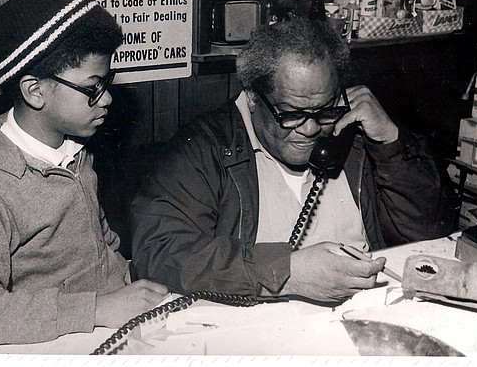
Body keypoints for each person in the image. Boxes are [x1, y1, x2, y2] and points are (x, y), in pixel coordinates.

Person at [131, 18, 457, 303]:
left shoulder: (356, 138)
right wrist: (287, 272)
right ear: (254, 97)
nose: (312, 129)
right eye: (292, 114)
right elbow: (159, 253)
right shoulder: (203, 149)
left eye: (325, 110)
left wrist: (390, 141)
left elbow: (430, 229)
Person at [0, 0, 167, 348]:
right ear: (34, 91)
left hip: (110, 331)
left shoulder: (76, 152)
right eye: (93, 88)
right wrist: (97, 309)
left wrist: (131, 285)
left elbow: (103, 247)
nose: (107, 99)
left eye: (106, 84)